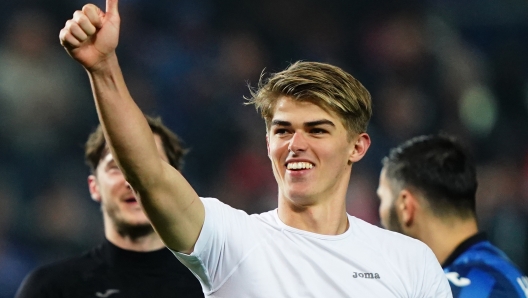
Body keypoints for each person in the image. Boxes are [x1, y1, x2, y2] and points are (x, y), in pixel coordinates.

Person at [57, 0, 452, 296]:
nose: (296, 144)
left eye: (317, 131)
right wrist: (104, 68)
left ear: (357, 147)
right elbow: (150, 176)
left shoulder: (410, 261)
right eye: (283, 131)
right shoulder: (232, 240)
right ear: (268, 143)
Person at [15, 116, 204, 297]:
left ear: (178, 184)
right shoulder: (51, 288)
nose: (133, 181)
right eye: (117, 167)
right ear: (94, 186)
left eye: (150, 166)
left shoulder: (215, 282)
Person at [377, 133, 528, 298]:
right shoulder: (506, 273)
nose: (380, 219)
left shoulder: (448, 291)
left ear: (406, 207)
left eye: (382, 199)